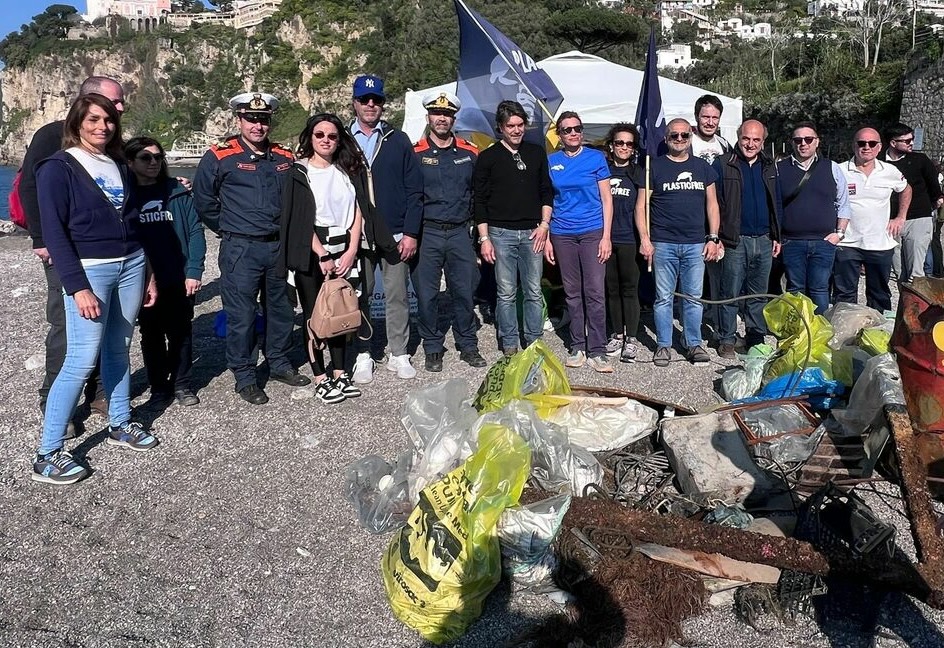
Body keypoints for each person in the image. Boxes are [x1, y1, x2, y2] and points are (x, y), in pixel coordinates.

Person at [32, 94, 159, 485]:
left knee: (118, 347)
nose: (102, 126)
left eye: (108, 120)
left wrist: (149, 272)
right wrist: (77, 287)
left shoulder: (118, 162)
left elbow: (134, 221)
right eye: (93, 119)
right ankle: (48, 452)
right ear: (77, 122)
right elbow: (54, 231)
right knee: (81, 359)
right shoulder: (57, 167)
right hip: (90, 271)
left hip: (131, 263)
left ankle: (120, 422)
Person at [21, 76, 127, 430]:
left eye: (117, 107)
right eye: (113, 102)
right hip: (63, 248)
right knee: (67, 324)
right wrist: (41, 239)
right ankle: (54, 399)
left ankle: (98, 392)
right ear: (84, 104)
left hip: (107, 253)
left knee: (105, 322)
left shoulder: (110, 144)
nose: (118, 110)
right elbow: (32, 188)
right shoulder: (52, 137)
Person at [193, 92, 310, 405]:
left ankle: (279, 363)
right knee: (241, 315)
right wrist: (231, 227)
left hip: (277, 248)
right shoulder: (220, 156)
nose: (258, 125)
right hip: (241, 249)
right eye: (251, 118)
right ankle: (245, 376)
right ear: (238, 120)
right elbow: (204, 202)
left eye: (263, 119)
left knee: (282, 310)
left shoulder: (284, 157)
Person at [280, 113, 397, 403]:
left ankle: (340, 373)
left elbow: (359, 211)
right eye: (320, 135)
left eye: (332, 136)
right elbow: (298, 218)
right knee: (316, 316)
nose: (326, 141)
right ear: (310, 138)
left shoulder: (347, 170)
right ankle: (320, 376)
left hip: (345, 247)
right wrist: (321, 254)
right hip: (313, 250)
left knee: (343, 312)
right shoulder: (298, 172)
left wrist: (351, 250)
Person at [348, 75, 424, 383]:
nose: (370, 105)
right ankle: (363, 353)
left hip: (394, 234)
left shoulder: (398, 139)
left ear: (382, 104)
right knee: (359, 295)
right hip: (357, 235)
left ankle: (398, 353)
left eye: (376, 100)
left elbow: (415, 189)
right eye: (364, 100)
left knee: (397, 295)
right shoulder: (341, 139)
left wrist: (411, 232)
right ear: (354, 102)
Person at [125, 137, 206, 406]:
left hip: (178, 275)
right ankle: (159, 385)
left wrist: (194, 270)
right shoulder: (127, 196)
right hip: (143, 279)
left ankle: (182, 384)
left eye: (158, 158)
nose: (154, 163)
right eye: (145, 158)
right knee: (151, 335)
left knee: (181, 332)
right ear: (130, 162)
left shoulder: (177, 191)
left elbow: (195, 231)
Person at [636, 118, 722, 367]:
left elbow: (712, 204)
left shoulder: (703, 167)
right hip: (663, 243)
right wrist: (645, 238)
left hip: (696, 243)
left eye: (685, 135)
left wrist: (713, 237)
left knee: (693, 297)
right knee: (663, 297)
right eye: (675, 136)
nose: (680, 140)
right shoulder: (654, 167)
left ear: (691, 136)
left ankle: (693, 343)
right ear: (667, 138)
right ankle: (664, 345)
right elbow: (641, 206)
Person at [412, 92, 486, 372]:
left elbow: (479, 195)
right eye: (436, 113)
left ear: (454, 118)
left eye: (447, 114)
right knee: (427, 294)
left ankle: (468, 344)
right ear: (429, 117)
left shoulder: (470, 153)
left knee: (464, 292)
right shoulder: (415, 153)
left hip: (459, 233)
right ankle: (432, 346)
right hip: (427, 233)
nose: (441, 118)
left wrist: (481, 236)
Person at [473, 100, 554, 356]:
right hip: (500, 233)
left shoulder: (536, 152)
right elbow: (480, 201)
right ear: (500, 128)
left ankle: (533, 340)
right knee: (506, 292)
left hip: (533, 233)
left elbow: (546, 192)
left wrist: (544, 225)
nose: (517, 130)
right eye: (511, 126)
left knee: (533, 290)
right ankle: (508, 342)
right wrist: (484, 238)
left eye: (520, 125)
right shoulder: (488, 158)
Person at [545, 111, 614, 373]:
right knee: (572, 292)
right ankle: (578, 345)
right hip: (562, 233)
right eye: (566, 130)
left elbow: (607, 199)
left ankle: (597, 348)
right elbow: (548, 201)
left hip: (593, 231)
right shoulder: (552, 162)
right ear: (559, 135)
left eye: (576, 128)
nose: (573, 133)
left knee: (594, 291)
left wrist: (606, 236)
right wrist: (549, 237)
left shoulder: (596, 158)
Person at [712, 119, 782, 358]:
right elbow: (714, 203)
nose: (750, 144)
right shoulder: (723, 164)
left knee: (757, 293)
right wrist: (716, 236)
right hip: (734, 239)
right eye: (746, 138)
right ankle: (727, 339)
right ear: (738, 137)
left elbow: (776, 203)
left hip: (763, 238)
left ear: (763, 142)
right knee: (730, 293)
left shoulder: (770, 166)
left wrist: (777, 235)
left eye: (756, 140)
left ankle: (755, 336)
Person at [835, 127, 912, 312]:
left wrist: (900, 217)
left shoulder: (890, 171)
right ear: (854, 146)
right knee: (844, 294)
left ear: (879, 147)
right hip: (847, 243)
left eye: (872, 144)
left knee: (879, 294)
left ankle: (878, 334)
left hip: (879, 244)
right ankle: (844, 335)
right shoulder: (839, 170)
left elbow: (906, 189)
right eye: (861, 143)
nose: (866, 147)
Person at [777, 122, 850, 314]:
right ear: (792, 143)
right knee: (795, 289)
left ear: (817, 142)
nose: (803, 144)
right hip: (791, 242)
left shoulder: (831, 168)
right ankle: (796, 332)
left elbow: (843, 203)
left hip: (824, 242)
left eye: (808, 139)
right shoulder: (779, 169)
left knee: (820, 289)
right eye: (798, 140)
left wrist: (839, 234)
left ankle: (819, 334)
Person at [690, 94, 732, 339]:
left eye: (714, 117)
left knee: (717, 277)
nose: (709, 121)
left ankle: (717, 324)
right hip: (692, 219)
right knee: (692, 278)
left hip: (716, 218)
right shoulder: (686, 141)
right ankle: (692, 326)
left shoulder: (725, 145)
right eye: (705, 116)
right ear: (697, 116)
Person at [880, 122, 943, 283]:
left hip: (918, 218)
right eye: (907, 141)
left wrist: (936, 202)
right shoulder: (879, 162)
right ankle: (906, 306)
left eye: (912, 139)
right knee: (899, 269)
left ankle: (920, 307)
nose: (912, 143)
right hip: (889, 220)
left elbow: (933, 185)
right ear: (893, 143)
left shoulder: (920, 160)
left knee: (916, 271)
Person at [602, 123, 643, 363]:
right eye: (619, 142)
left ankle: (632, 338)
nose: (624, 147)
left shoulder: (639, 173)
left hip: (629, 239)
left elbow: (643, 208)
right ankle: (617, 334)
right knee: (612, 289)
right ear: (611, 145)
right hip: (606, 239)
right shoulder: (603, 171)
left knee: (630, 289)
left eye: (629, 143)